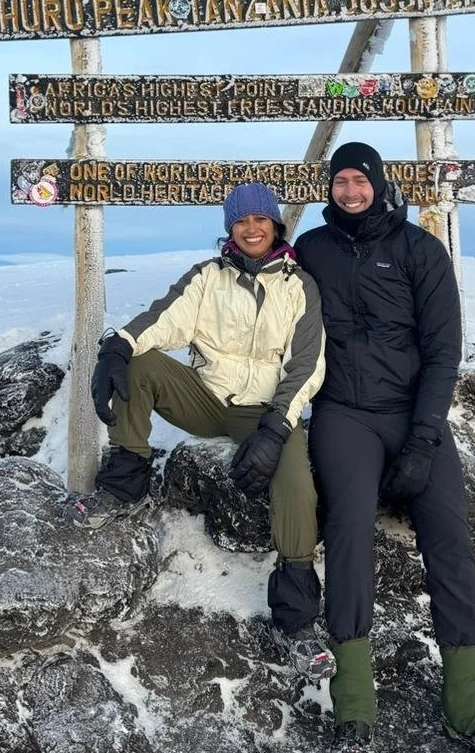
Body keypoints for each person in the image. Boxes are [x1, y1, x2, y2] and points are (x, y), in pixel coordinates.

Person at [74, 182, 335, 681]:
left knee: (297, 484)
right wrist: (118, 347)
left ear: (275, 225)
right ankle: (124, 486)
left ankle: (298, 622)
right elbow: (162, 320)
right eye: (241, 221)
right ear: (230, 230)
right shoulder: (207, 277)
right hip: (206, 398)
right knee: (142, 363)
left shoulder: (299, 286)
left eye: (261, 220)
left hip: (264, 410)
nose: (252, 228)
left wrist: (278, 428)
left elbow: (307, 365)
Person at [295, 143, 475, 751]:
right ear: (330, 188)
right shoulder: (312, 251)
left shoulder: (420, 250)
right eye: (341, 181)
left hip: (411, 413)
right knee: (349, 528)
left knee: (450, 538)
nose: (350, 190)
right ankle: (354, 700)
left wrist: (424, 440)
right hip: (343, 414)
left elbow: (442, 351)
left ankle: (468, 704)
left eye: (360, 180)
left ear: (380, 184)